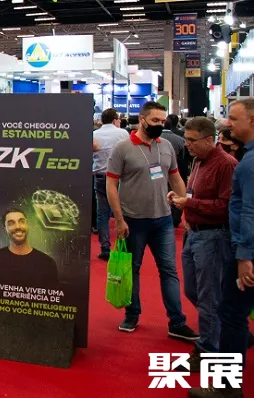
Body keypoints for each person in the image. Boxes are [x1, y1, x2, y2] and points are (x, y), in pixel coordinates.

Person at [106, 101, 198, 341]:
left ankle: (177, 322)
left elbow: (175, 178)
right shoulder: (122, 148)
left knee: (169, 271)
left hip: (163, 220)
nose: (160, 124)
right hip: (133, 221)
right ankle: (132, 314)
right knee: (132, 270)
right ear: (142, 119)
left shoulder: (166, 146)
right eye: (155, 120)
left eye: (162, 121)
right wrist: (119, 219)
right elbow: (111, 185)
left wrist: (186, 209)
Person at [188, 99, 254, 398]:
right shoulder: (242, 159)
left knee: (229, 312)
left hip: (238, 247)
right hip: (221, 239)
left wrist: (244, 255)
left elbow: (246, 211)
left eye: (234, 118)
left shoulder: (243, 164)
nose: (228, 123)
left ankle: (226, 385)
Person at [167, 118, 237, 370]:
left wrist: (190, 204)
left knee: (209, 297)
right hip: (194, 233)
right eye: (186, 140)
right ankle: (226, 329)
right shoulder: (198, 160)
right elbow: (196, 194)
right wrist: (184, 202)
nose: (187, 145)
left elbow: (227, 207)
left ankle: (207, 350)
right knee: (193, 290)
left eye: (192, 140)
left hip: (214, 236)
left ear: (209, 139)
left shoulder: (226, 165)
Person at [0, 208, 59, 291]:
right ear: (4, 230)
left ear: (27, 225)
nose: (18, 227)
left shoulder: (47, 263)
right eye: (11, 223)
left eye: (21, 221)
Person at [92, 109, 129, 261]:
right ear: (115, 120)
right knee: (123, 213)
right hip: (120, 179)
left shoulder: (94, 134)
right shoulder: (123, 134)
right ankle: (122, 247)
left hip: (100, 176)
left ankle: (105, 248)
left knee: (102, 214)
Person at [162, 115, 190, 228]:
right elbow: (185, 158)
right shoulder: (180, 138)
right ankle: (175, 218)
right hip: (178, 171)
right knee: (176, 194)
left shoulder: (155, 139)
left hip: (160, 174)